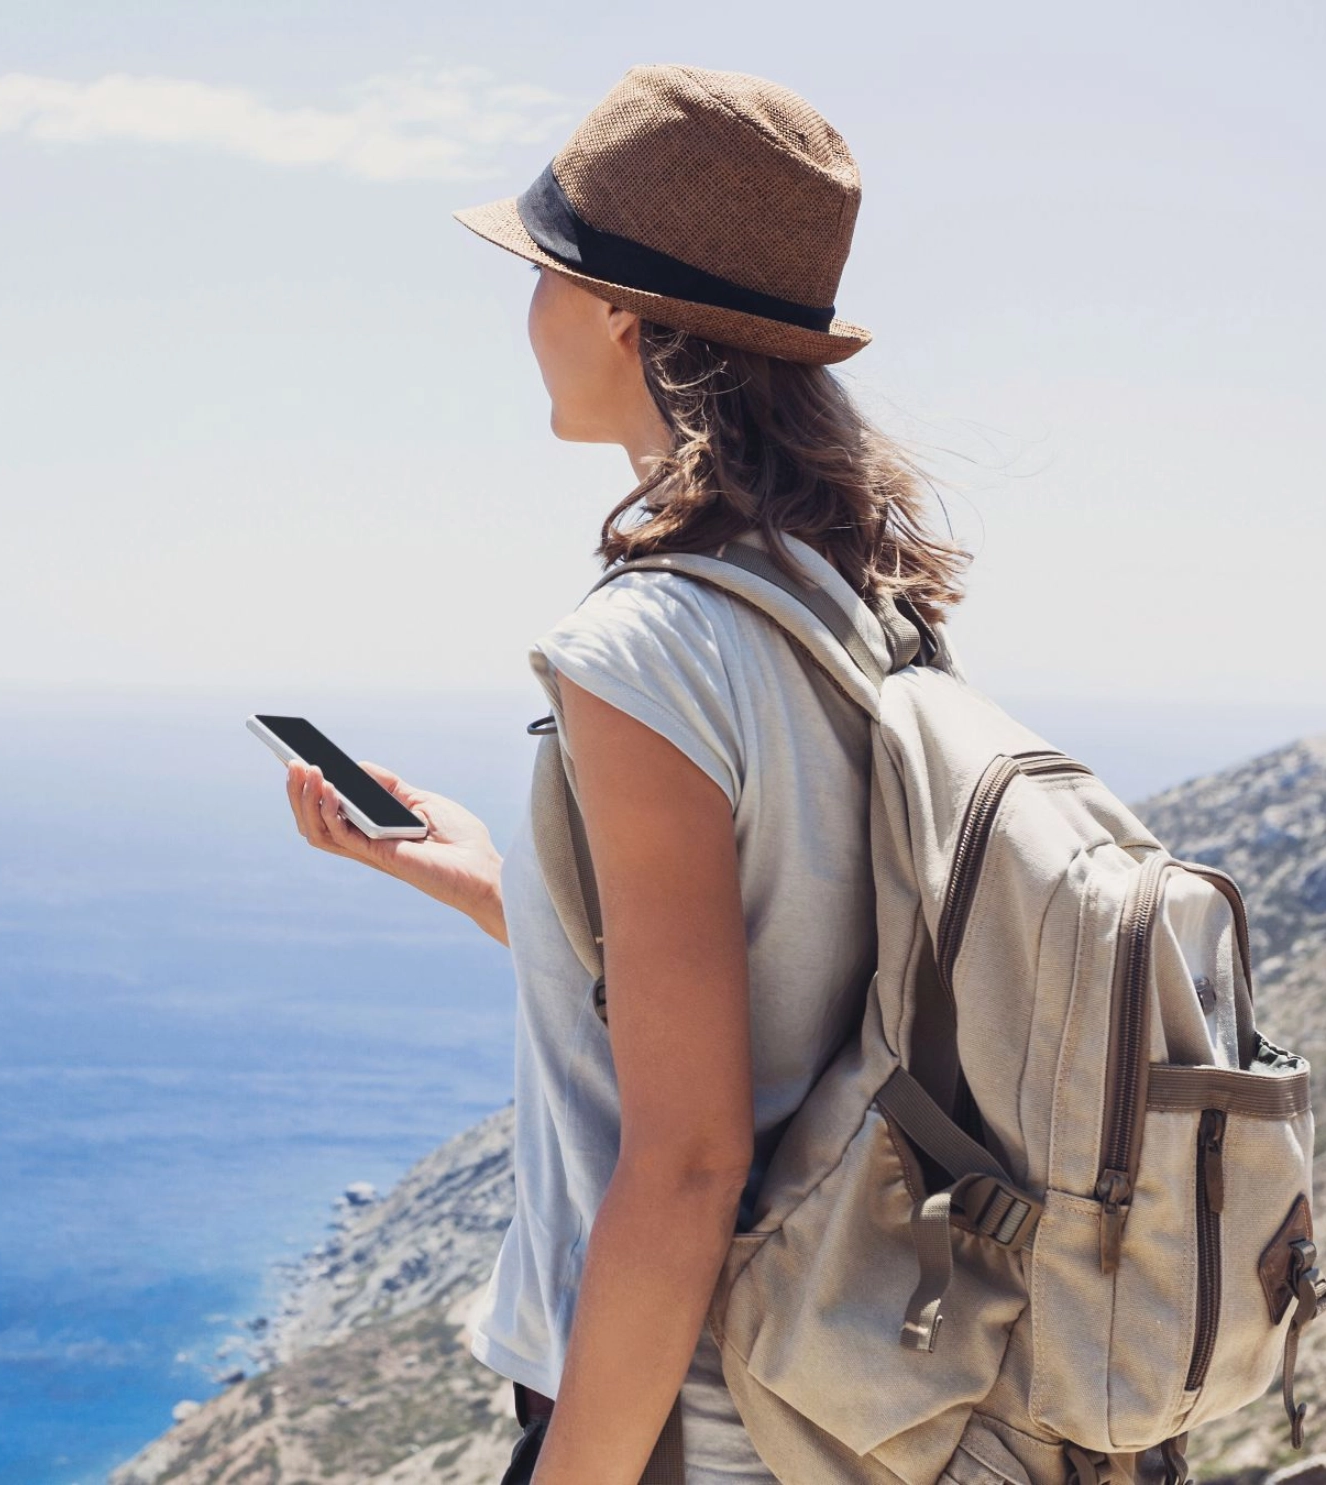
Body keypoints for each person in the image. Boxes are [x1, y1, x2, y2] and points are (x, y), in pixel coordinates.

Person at [277, 65, 969, 1484]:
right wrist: (490, 879)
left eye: (539, 271)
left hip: (679, 1426)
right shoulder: (859, 606)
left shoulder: (644, 644)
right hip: (844, 1398)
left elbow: (692, 1158)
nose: (526, 310)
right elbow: (776, 987)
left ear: (619, 315)